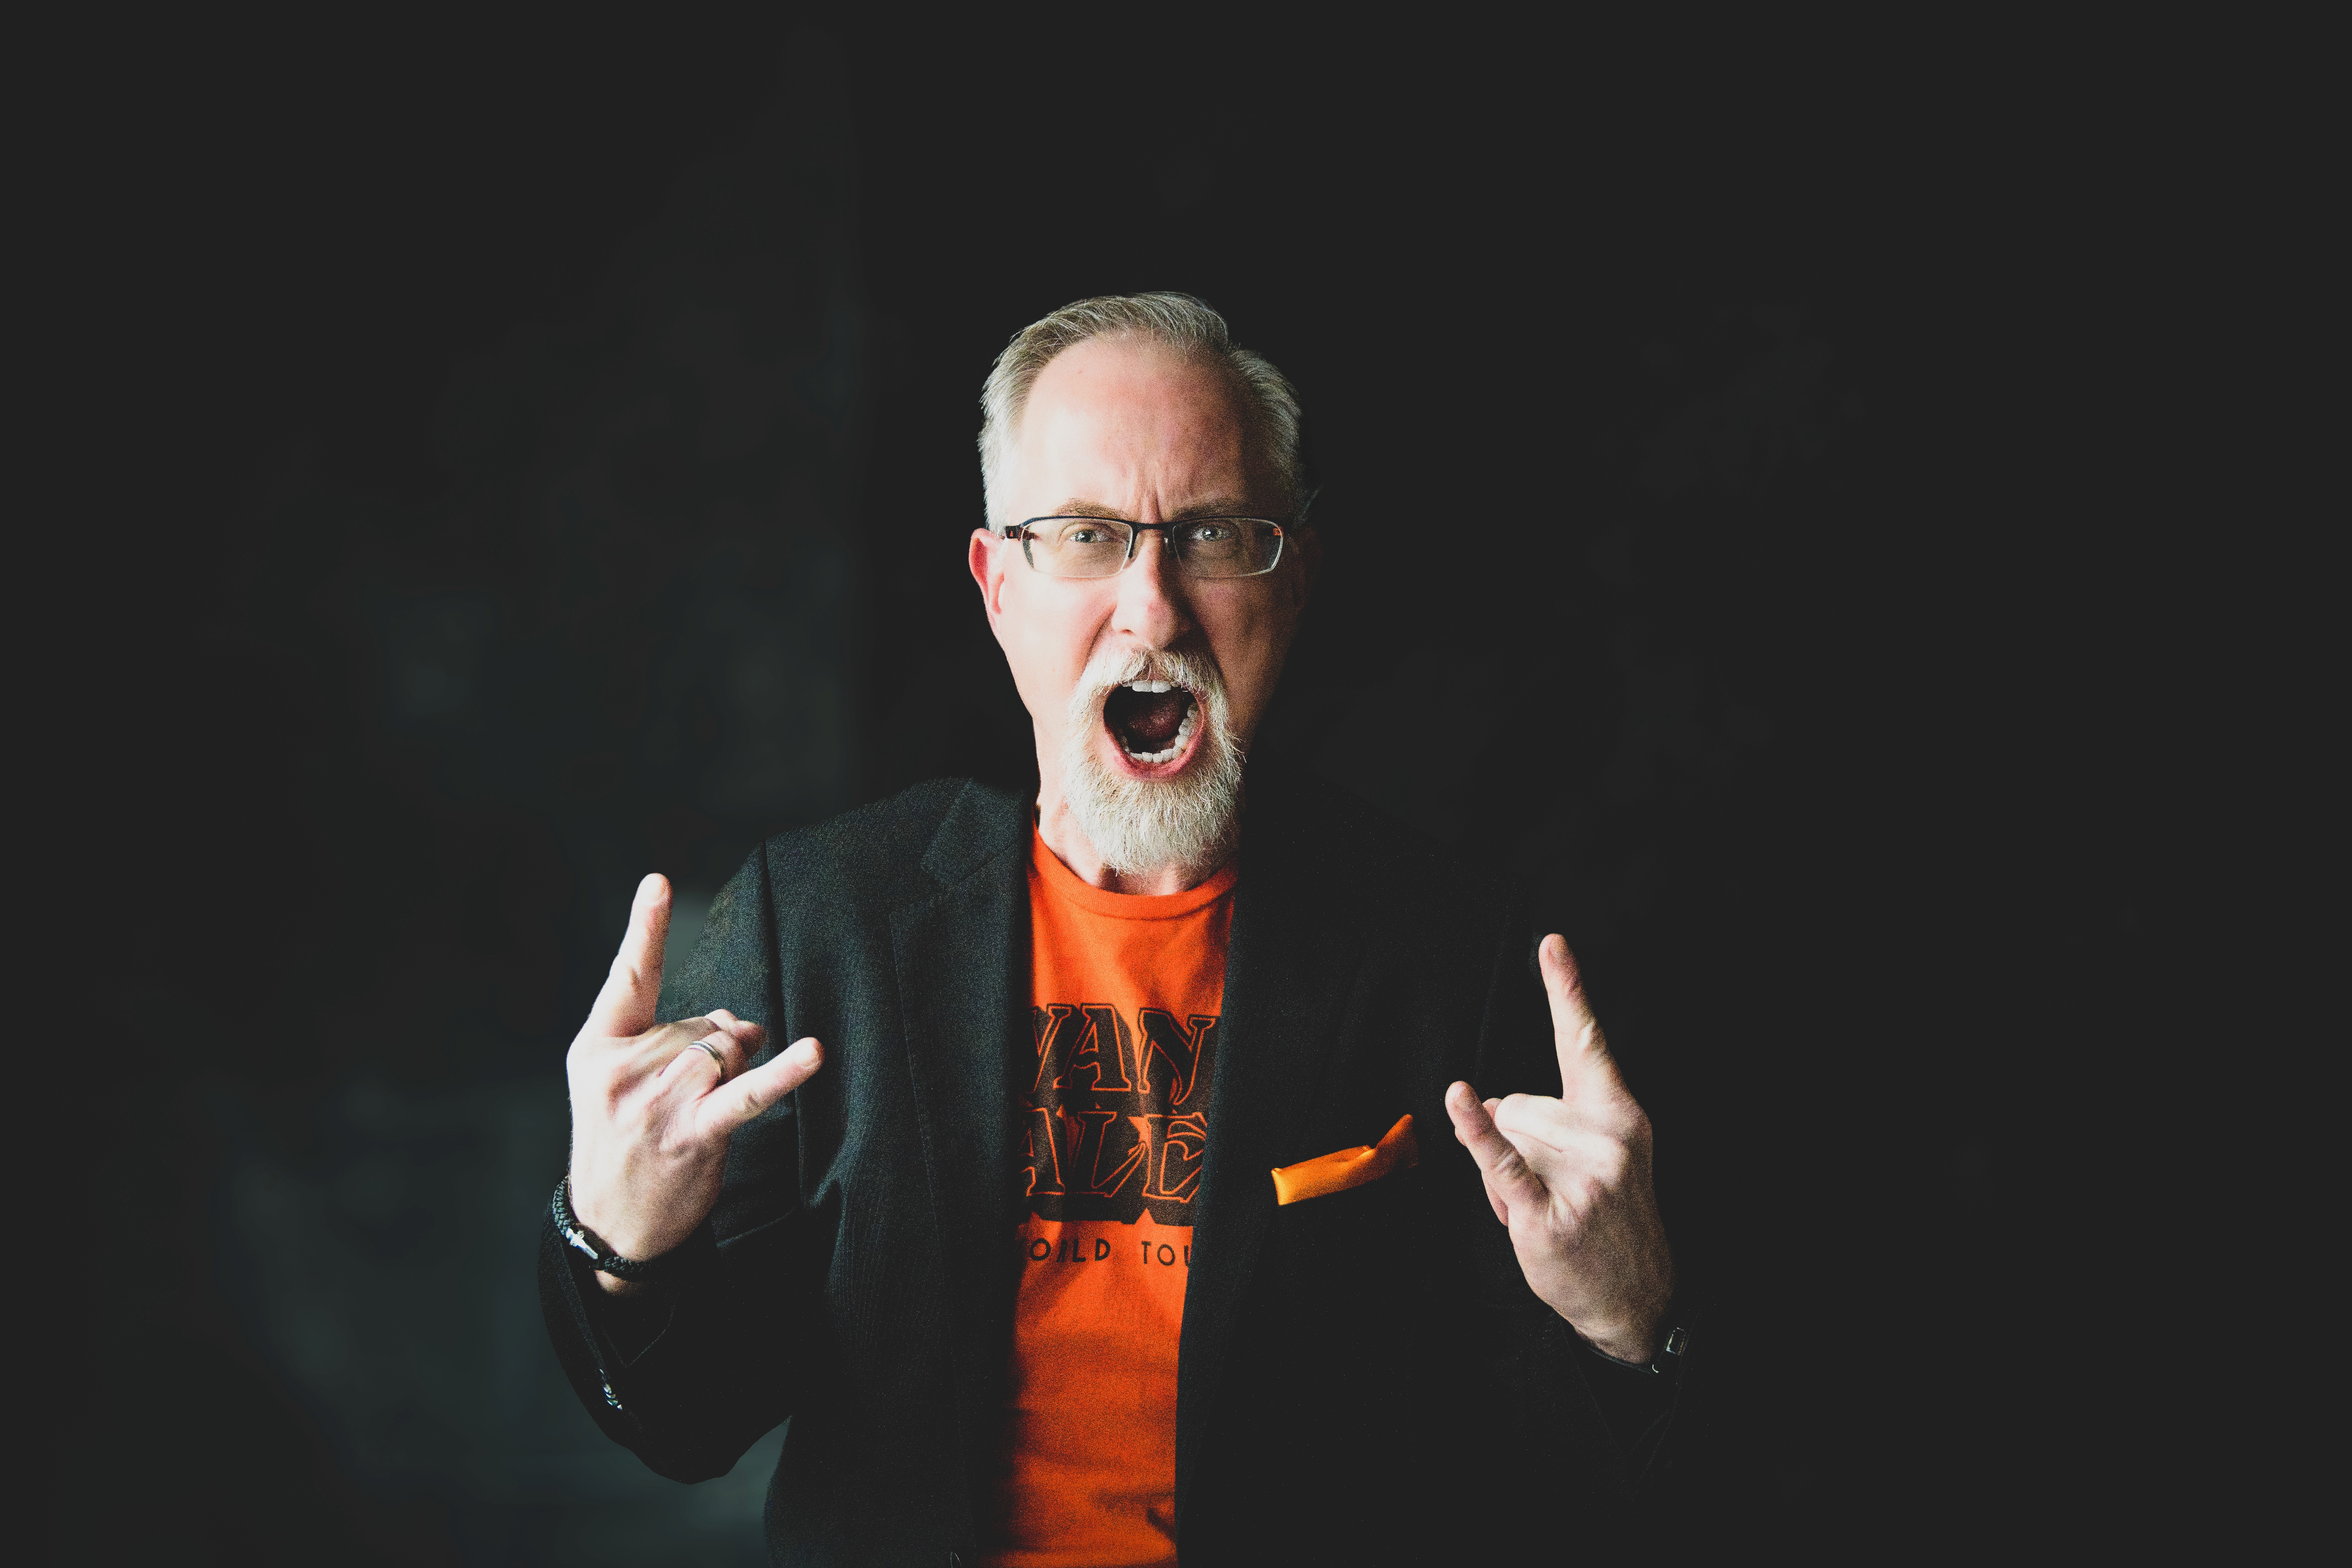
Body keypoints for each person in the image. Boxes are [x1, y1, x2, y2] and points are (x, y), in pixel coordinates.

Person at [541, 293, 1699, 1566]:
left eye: (1214, 536)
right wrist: (618, 1236)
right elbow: (688, 1419)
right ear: (998, 588)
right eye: (1086, 536)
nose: (1153, 607)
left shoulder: (1450, 951)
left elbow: (1543, 1489)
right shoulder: (819, 918)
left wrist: (1628, 1319)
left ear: (1293, 581)